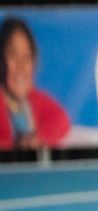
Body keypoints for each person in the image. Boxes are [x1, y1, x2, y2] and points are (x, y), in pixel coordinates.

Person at [0, 18, 71, 151]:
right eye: (12, 55)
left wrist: (37, 139)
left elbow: (62, 121)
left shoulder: (35, 99)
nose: (21, 66)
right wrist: (15, 147)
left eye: (27, 57)